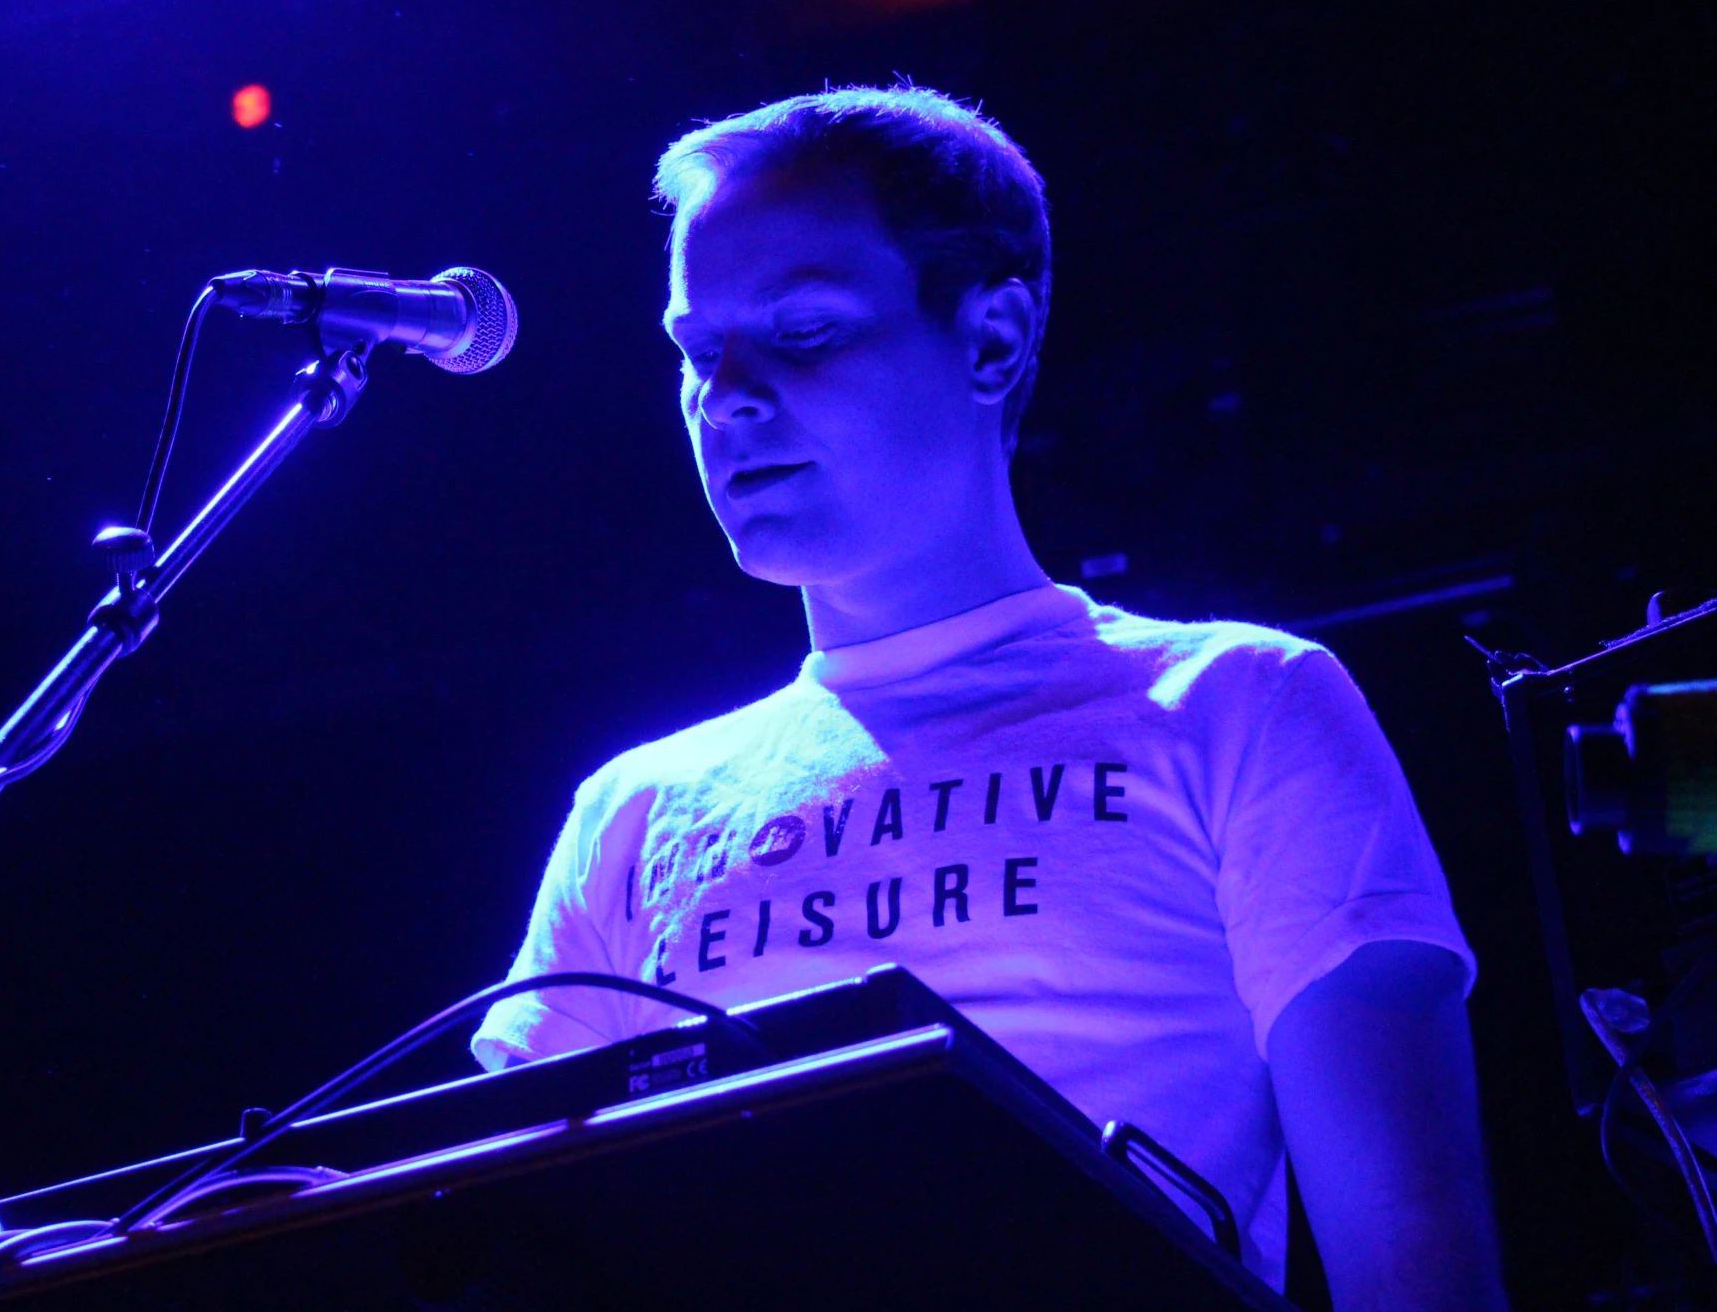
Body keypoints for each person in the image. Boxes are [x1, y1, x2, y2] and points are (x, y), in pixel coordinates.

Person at [469, 86, 1507, 1309]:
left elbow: (1414, 1252)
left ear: (991, 340)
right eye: (698, 353)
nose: (728, 397)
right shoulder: (629, 811)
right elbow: (503, 1241)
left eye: (802, 333)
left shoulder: (1240, 704)